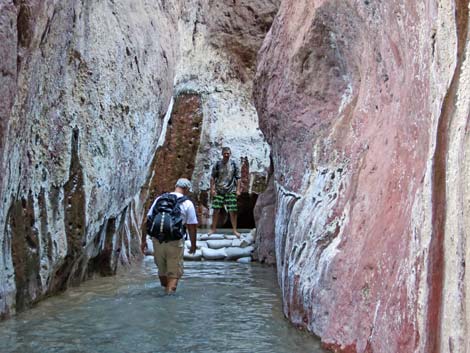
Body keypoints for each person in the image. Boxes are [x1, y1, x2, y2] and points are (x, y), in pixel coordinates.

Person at [141, 178, 198, 294]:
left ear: (176, 186)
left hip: (157, 240)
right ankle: (168, 303)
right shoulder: (187, 203)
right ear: (186, 189)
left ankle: (164, 293)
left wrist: (143, 241)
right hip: (175, 242)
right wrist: (193, 244)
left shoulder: (160, 199)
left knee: (162, 271)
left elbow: (146, 221)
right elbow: (192, 226)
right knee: (173, 275)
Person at [209, 146, 241, 237]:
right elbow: (212, 177)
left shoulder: (234, 164)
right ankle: (213, 229)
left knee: (232, 210)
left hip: (231, 190)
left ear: (230, 154)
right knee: (216, 209)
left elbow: (238, 178)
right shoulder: (217, 164)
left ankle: (234, 230)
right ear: (222, 154)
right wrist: (212, 189)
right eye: (225, 153)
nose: (226, 155)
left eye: (228, 153)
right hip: (219, 190)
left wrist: (238, 190)